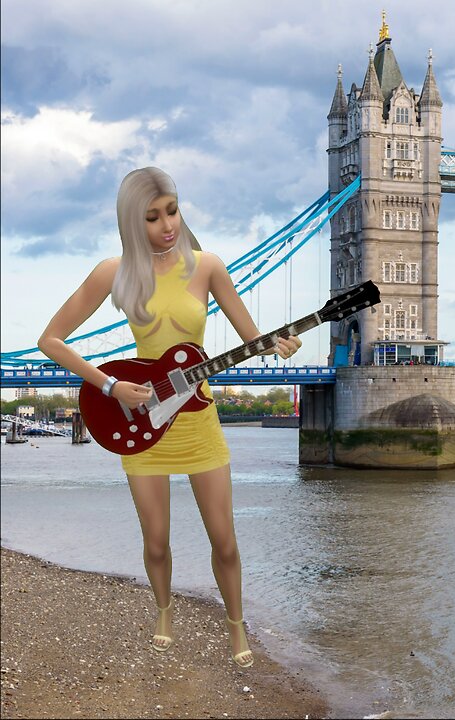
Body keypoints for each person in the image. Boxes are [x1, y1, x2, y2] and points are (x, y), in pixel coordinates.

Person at [37, 167, 301, 669]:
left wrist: (280, 346)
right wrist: (111, 385)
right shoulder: (113, 272)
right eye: (152, 217)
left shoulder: (209, 266)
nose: (166, 226)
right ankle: (163, 614)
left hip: (199, 420)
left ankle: (236, 624)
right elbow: (50, 340)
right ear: (132, 223)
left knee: (224, 539)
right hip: (141, 425)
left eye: (172, 211)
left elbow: (255, 339)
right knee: (155, 542)